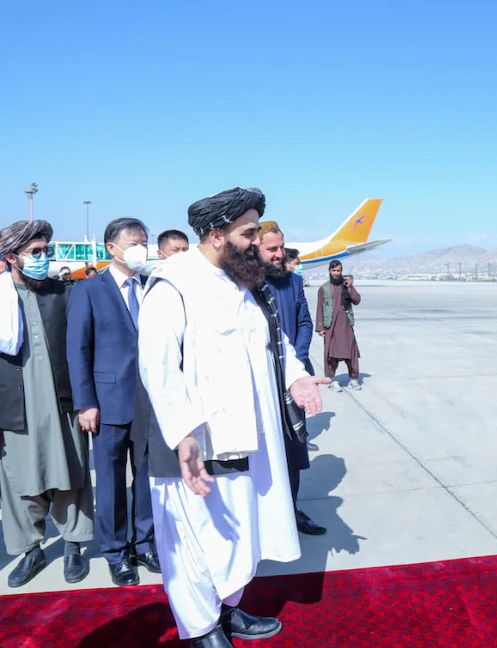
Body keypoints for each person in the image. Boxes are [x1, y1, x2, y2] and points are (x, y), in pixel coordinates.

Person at [138, 187, 329, 647]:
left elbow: (274, 341)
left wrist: (296, 378)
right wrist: (183, 435)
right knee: (195, 538)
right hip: (197, 442)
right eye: (248, 232)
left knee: (239, 534)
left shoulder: (243, 282)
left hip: (247, 436)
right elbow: (156, 368)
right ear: (216, 234)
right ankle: (201, 629)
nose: (255, 241)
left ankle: (227, 609)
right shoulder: (174, 283)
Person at [0, 220, 94, 588]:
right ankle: (31, 549)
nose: (43, 257)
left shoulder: (65, 293)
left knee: (70, 472)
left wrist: (87, 401)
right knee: (20, 480)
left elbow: (84, 349)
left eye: (45, 251)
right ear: (12, 257)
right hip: (13, 406)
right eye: (35, 252)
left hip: (62, 401)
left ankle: (73, 544)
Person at [66, 218, 159, 587]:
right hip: (107, 404)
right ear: (111, 248)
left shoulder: (151, 286)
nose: (141, 249)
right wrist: (85, 403)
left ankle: (145, 543)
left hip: (149, 402)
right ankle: (116, 552)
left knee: (148, 478)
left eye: (144, 242)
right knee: (111, 482)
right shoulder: (89, 291)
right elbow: (78, 351)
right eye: (133, 243)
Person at [259, 220, 327, 536]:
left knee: (293, 450)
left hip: (293, 379)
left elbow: (304, 323)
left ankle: (291, 510)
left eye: (281, 247)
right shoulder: (244, 286)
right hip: (261, 382)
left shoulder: (293, 282)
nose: (279, 254)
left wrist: (295, 362)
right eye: (271, 249)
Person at [316, 260, 362, 391]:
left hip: (345, 323)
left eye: (338, 271)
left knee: (351, 353)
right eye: (334, 271)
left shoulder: (346, 285)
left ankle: (354, 379)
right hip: (330, 325)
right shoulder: (323, 288)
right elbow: (320, 308)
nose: (336, 273)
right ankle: (332, 380)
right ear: (329, 271)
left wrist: (350, 288)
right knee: (331, 354)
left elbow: (357, 300)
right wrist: (320, 327)